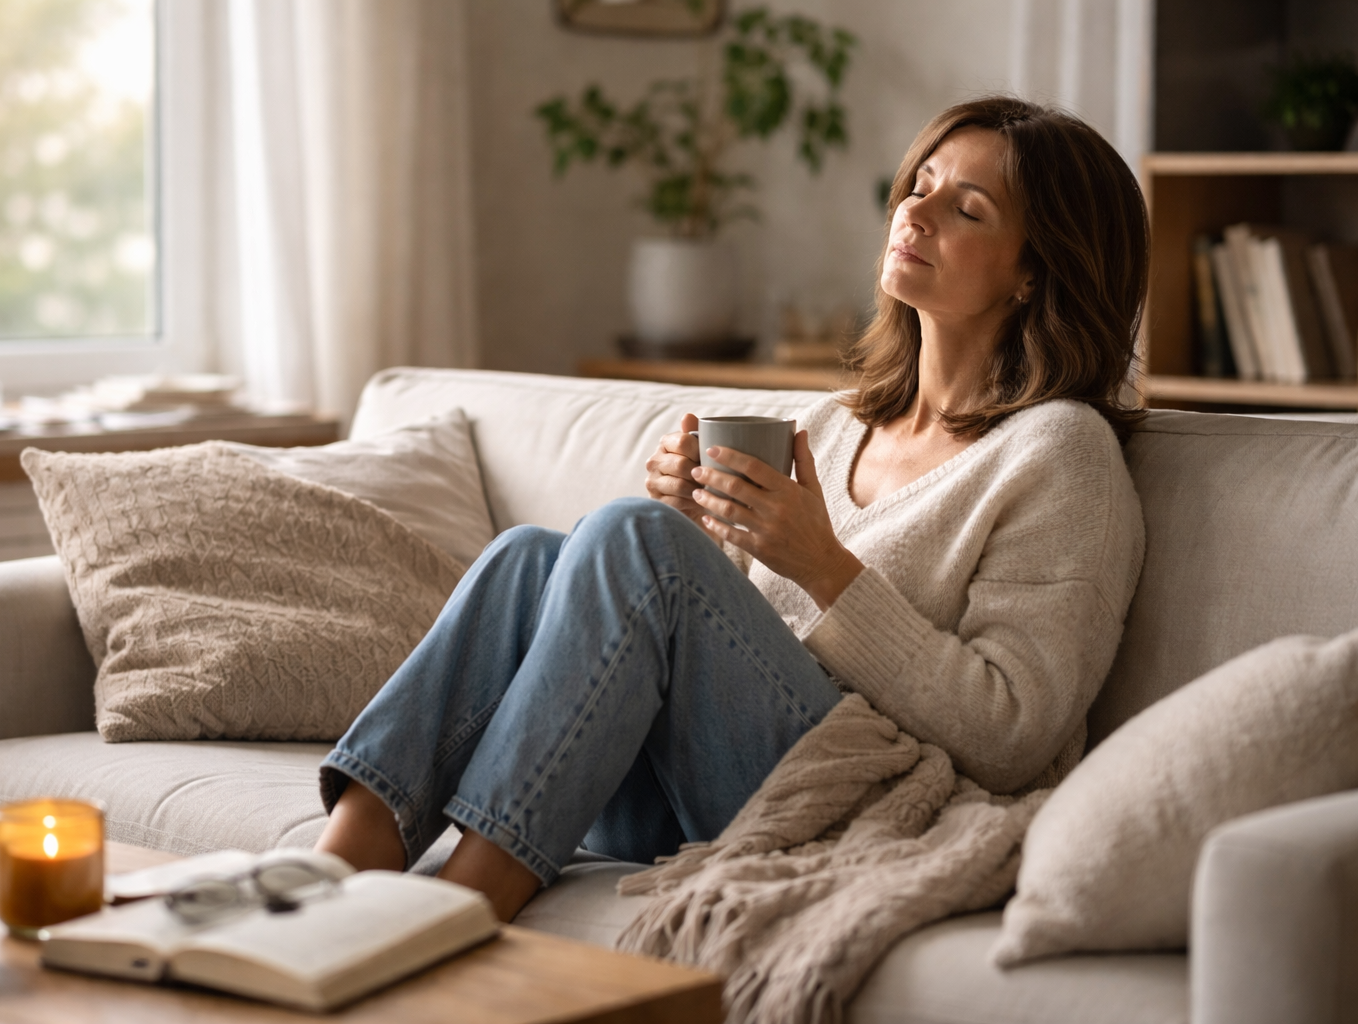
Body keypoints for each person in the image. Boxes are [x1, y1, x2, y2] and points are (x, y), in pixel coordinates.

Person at [315, 96, 1148, 923]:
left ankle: (456, 916)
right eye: (918, 184)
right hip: (698, 780)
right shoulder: (831, 425)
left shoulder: (1059, 454)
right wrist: (702, 532)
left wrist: (821, 567)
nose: (915, 212)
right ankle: (320, 884)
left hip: (860, 802)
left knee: (630, 538)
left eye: (966, 208)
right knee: (529, 555)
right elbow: (743, 641)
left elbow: (1010, 737)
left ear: (1035, 270)